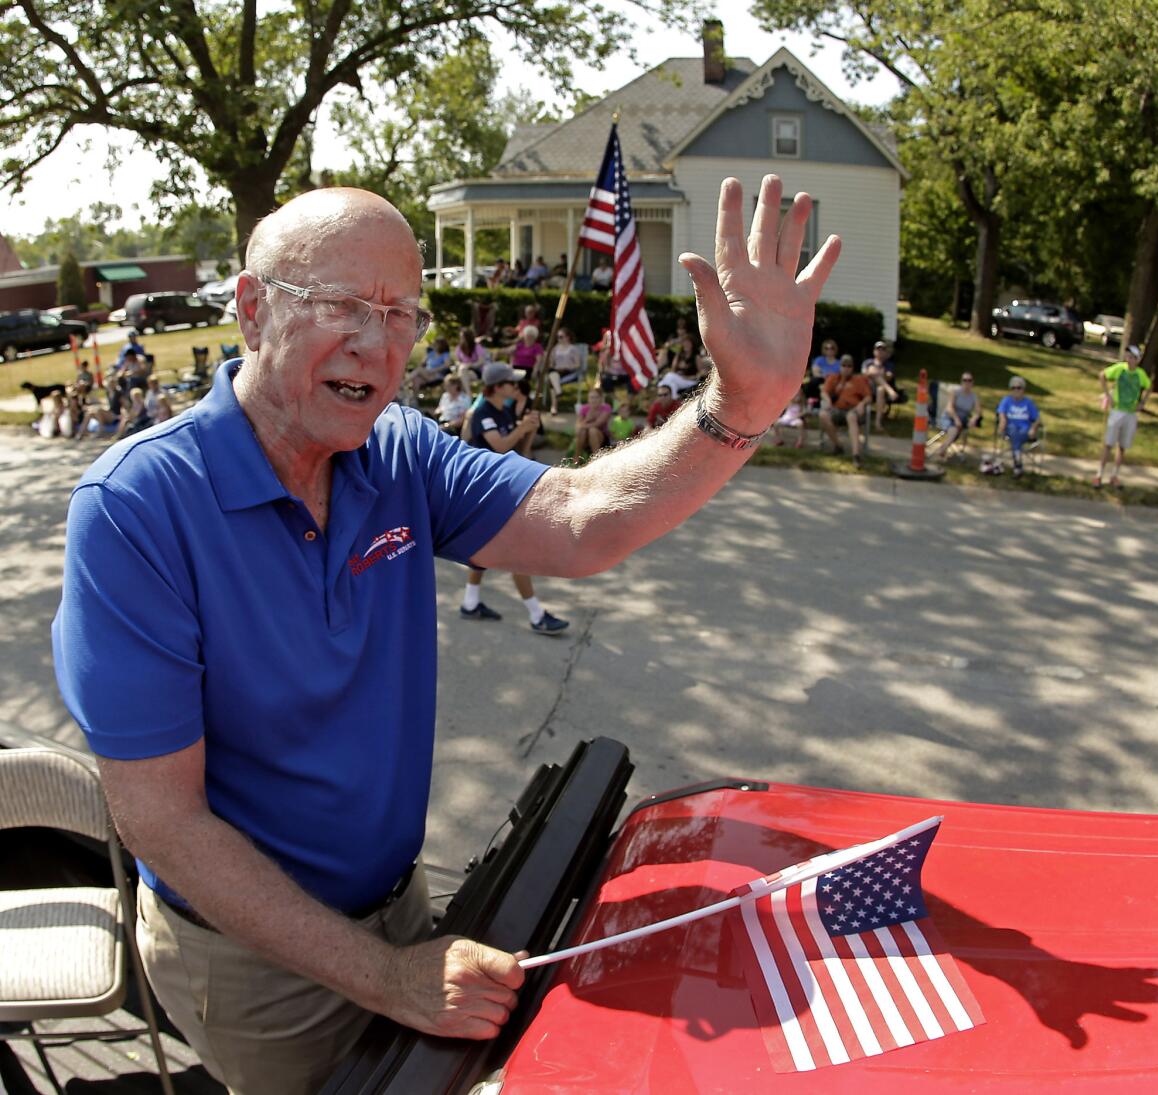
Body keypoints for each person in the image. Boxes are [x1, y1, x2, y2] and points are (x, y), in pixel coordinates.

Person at [52, 176, 839, 1094]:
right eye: (344, 305)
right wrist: (388, 976)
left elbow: (581, 517)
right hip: (253, 958)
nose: (379, 346)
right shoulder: (136, 509)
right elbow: (163, 820)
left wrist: (740, 404)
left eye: (402, 315)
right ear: (254, 309)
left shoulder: (396, 452)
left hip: (400, 906)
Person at [461, 361, 569, 633]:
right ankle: (536, 615)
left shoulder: (503, 411)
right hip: (485, 490)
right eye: (511, 383)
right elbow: (499, 447)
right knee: (519, 550)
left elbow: (518, 451)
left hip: (500, 488)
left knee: (483, 549)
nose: (516, 386)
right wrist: (521, 429)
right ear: (497, 387)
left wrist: (528, 430)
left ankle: (470, 603)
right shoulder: (482, 412)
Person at [1093, 344, 1151, 489]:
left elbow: (1149, 386)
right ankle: (1099, 474)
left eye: (1132, 358)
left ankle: (1115, 475)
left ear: (1137, 360)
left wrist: (1142, 403)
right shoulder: (1120, 369)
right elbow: (1102, 375)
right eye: (1128, 357)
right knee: (1108, 444)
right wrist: (1108, 396)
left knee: (1123, 446)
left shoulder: (1140, 374)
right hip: (1117, 410)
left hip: (1131, 413)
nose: (1129, 360)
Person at [818, 356, 872, 466]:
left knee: (851, 417)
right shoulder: (834, 378)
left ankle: (856, 455)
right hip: (837, 409)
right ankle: (838, 446)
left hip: (854, 410)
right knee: (823, 414)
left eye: (849, 366)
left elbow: (869, 397)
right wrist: (827, 400)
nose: (846, 368)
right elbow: (824, 392)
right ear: (840, 366)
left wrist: (862, 404)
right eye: (844, 365)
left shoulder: (859, 380)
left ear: (852, 368)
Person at [996, 375, 1040, 477]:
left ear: (1023, 389)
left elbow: (1037, 419)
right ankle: (1018, 464)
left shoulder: (1028, 403)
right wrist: (1002, 423)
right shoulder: (1006, 401)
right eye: (1013, 388)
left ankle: (1017, 464)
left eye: (1018, 388)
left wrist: (1033, 429)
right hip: (1010, 429)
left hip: (1025, 431)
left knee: (1019, 434)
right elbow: (1001, 414)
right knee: (1013, 431)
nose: (1016, 390)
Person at [931, 372, 981, 459]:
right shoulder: (955, 393)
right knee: (954, 430)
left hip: (963, 420)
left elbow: (978, 412)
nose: (967, 382)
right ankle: (942, 449)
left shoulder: (974, 396)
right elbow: (949, 408)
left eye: (969, 380)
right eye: (964, 380)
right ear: (961, 382)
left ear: (972, 383)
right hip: (949, 417)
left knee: (960, 428)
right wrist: (956, 419)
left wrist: (974, 419)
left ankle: (945, 449)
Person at [863, 339, 902, 430]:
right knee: (873, 370)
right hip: (868, 388)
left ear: (885, 352)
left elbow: (889, 377)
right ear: (874, 351)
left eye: (882, 349)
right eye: (878, 349)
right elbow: (864, 375)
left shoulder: (888, 364)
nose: (880, 351)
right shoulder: (868, 362)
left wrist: (877, 373)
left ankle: (877, 422)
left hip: (881, 391)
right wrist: (876, 372)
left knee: (880, 389)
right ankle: (890, 391)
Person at [546, 328, 585, 415]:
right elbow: (551, 363)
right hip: (556, 371)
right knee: (552, 374)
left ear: (567, 337)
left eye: (561, 336)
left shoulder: (573, 349)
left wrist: (565, 366)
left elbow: (577, 364)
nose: (559, 339)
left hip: (568, 371)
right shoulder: (555, 349)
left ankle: (554, 407)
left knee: (551, 379)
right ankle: (558, 392)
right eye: (558, 337)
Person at [573, 386, 612, 461]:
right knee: (582, 430)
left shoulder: (606, 408)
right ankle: (577, 456)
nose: (593, 400)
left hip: (602, 438)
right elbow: (577, 426)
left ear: (601, 398)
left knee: (592, 430)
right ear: (588, 399)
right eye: (591, 397)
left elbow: (598, 424)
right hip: (585, 438)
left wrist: (583, 425)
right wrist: (588, 418)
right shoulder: (584, 408)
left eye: (596, 397)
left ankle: (596, 458)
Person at [804, 338, 841, 405]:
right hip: (821, 381)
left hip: (833, 383)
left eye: (831, 348)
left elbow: (840, 376)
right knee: (814, 382)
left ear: (835, 349)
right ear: (824, 349)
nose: (829, 350)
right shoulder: (819, 360)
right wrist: (825, 376)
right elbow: (816, 373)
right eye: (827, 348)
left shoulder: (839, 363)